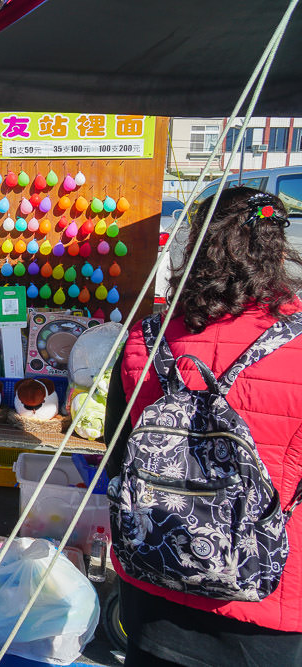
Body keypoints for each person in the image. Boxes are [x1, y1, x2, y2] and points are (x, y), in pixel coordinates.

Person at [105, 187, 302, 666]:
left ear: (195, 248)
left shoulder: (145, 340)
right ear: (278, 253)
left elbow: (117, 457)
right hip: (267, 591)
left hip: (154, 570)